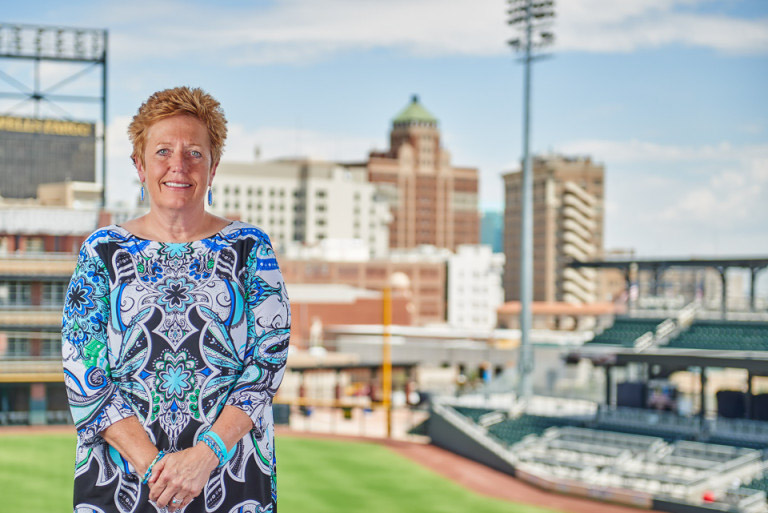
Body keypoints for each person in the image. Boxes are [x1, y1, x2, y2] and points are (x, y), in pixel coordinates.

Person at [62, 86, 290, 513]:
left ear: (213, 166)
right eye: (163, 151)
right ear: (139, 164)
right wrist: (156, 468)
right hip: (122, 479)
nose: (178, 166)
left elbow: (268, 362)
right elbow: (82, 370)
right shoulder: (101, 250)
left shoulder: (250, 247)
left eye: (194, 153)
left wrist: (204, 457)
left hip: (231, 474)